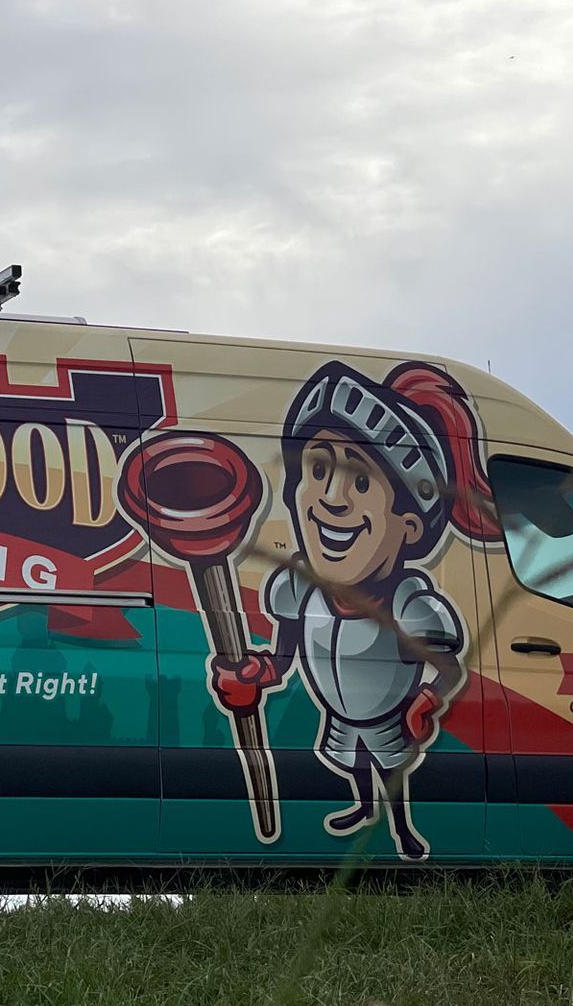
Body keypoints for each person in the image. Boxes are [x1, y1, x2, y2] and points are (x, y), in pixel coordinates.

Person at [209, 360, 500, 861]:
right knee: (356, 763)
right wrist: (258, 673)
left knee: (391, 767)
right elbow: (284, 657)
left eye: (361, 481)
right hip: (343, 714)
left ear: (410, 526)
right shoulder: (300, 588)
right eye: (318, 470)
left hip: (386, 713)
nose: (332, 499)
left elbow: (450, 669)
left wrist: (427, 698)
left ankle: (401, 828)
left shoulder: (409, 604)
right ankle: (365, 810)